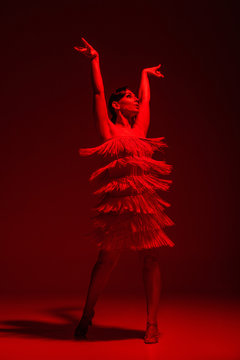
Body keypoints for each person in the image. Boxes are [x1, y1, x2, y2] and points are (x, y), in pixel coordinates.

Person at [73, 37, 175, 344]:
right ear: (117, 105)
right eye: (131, 98)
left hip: (144, 205)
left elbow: (149, 100)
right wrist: (95, 60)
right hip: (119, 205)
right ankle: (87, 314)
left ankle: (152, 323)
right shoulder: (108, 128)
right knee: (106, 261)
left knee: (151, 259)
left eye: (136, 98)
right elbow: (97, 91)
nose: (137, 102)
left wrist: (144, 74)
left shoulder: (140, 130)